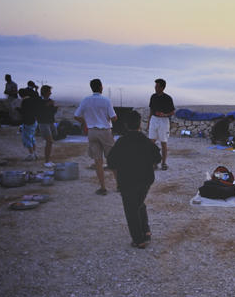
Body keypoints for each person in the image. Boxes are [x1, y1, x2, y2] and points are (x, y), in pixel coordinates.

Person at [107, 111, 161, 248]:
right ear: (139, 124)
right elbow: (157, 158)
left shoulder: (121, 142)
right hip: (146, 180)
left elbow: (111, 162)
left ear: (125, 125)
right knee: (139, 203)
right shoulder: (145, 140)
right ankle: (146, 232)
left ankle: (139, 240)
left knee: (131, 209)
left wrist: (118, 180)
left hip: (127, 181)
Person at [74, 78, 118, 195]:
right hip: (105, 131)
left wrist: (85, 122)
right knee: (112, 159)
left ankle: (103, 187)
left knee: (98, 161)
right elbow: (114, 117)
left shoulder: (86, 100)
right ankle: (119, 185)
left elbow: (76, 115)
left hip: (92, 131)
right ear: (101, 87)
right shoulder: (106, 100)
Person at [147, 78, 175, 170]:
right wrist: (149, 122)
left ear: (162, 88)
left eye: (157, 86)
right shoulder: (153, 97)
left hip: (164, 121)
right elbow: (151, 110)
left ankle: (163, 163)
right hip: (154, 120)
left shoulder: (168, 98)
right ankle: (153, 162)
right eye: (155, 86)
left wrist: (165, 114)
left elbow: (172, 112)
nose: (155, 88)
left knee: (163, 142)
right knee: (151, 143)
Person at [37, 85, 58, 167]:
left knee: (51, 141)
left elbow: (52, 112)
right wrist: (47, 105)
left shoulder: (50, 101)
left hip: (50, 122)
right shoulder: (38, 101)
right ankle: (46, 161)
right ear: (44, 92)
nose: (50, 93)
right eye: (49, 91)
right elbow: (38, 112)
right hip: (43, 123)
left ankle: (48, 160)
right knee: (49, 141)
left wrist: (54, 108)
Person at [17, 88, 40, 161]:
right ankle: (34, 154)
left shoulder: (25, 101)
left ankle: (31, 154)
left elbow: (24, 112)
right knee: (32, 138)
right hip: (34, 120)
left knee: (27, 138)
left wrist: (18, 109)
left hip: (28, 121)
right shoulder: (32, 100)